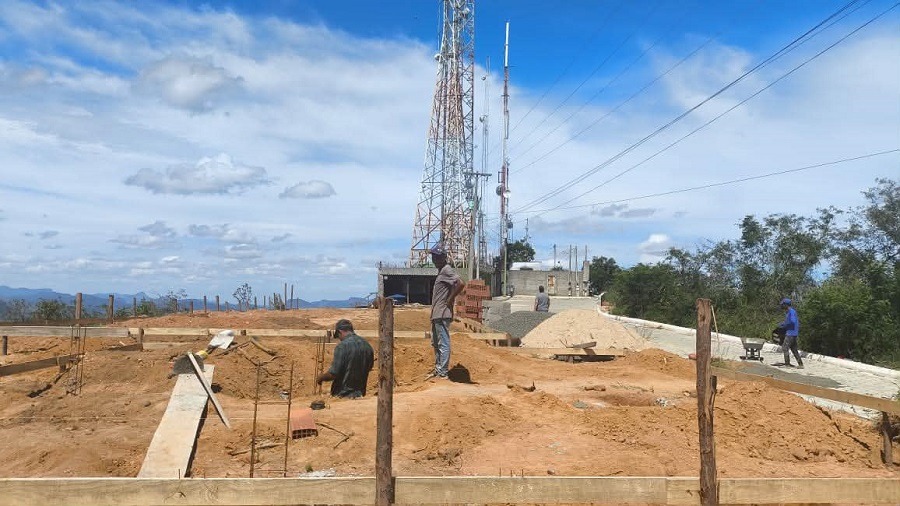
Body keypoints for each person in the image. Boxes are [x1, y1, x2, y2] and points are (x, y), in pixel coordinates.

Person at [428, 244, 465, 380]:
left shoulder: (446, 270)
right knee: (436, 342)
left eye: (437, 257)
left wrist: (450, 299)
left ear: (444, 258)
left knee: (443, 342)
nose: (434, 259)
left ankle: (443, 372)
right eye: (433, 257)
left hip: (442, 313)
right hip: (437, 313)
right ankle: (438, 369)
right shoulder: (441, 271)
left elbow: (461, 283)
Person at [316, 319, 374, 398]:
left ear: (340, 332)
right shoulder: (367, 346)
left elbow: (333, 373)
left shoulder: (342, 347)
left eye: (338, 336)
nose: (339, 339)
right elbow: (369, 367)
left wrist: (321, 378)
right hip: (360, 395)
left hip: (343, 395)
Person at [776, 298, 804, 369]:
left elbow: (792, 321)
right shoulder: (789, 312)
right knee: (794, 349)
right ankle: (800, 364)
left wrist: (784, 325)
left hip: (790, 333)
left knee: (785, 347)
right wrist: (783, 324)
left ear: (786, 305)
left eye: (782, 304)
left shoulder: (791, 312)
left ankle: (787, 364)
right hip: (793, 333)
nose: (781, 306)